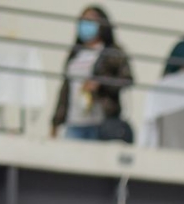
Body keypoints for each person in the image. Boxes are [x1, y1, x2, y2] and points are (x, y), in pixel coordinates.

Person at [51, 6, 134, 142]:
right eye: (83, 21)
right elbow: (65, 91)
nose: (86, 25)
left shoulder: (112, 52)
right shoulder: (75, 54)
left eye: (91, 20)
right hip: (74, 124)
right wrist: (55, 122)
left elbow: (127, 80)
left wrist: (100, 83)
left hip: (100, 124)